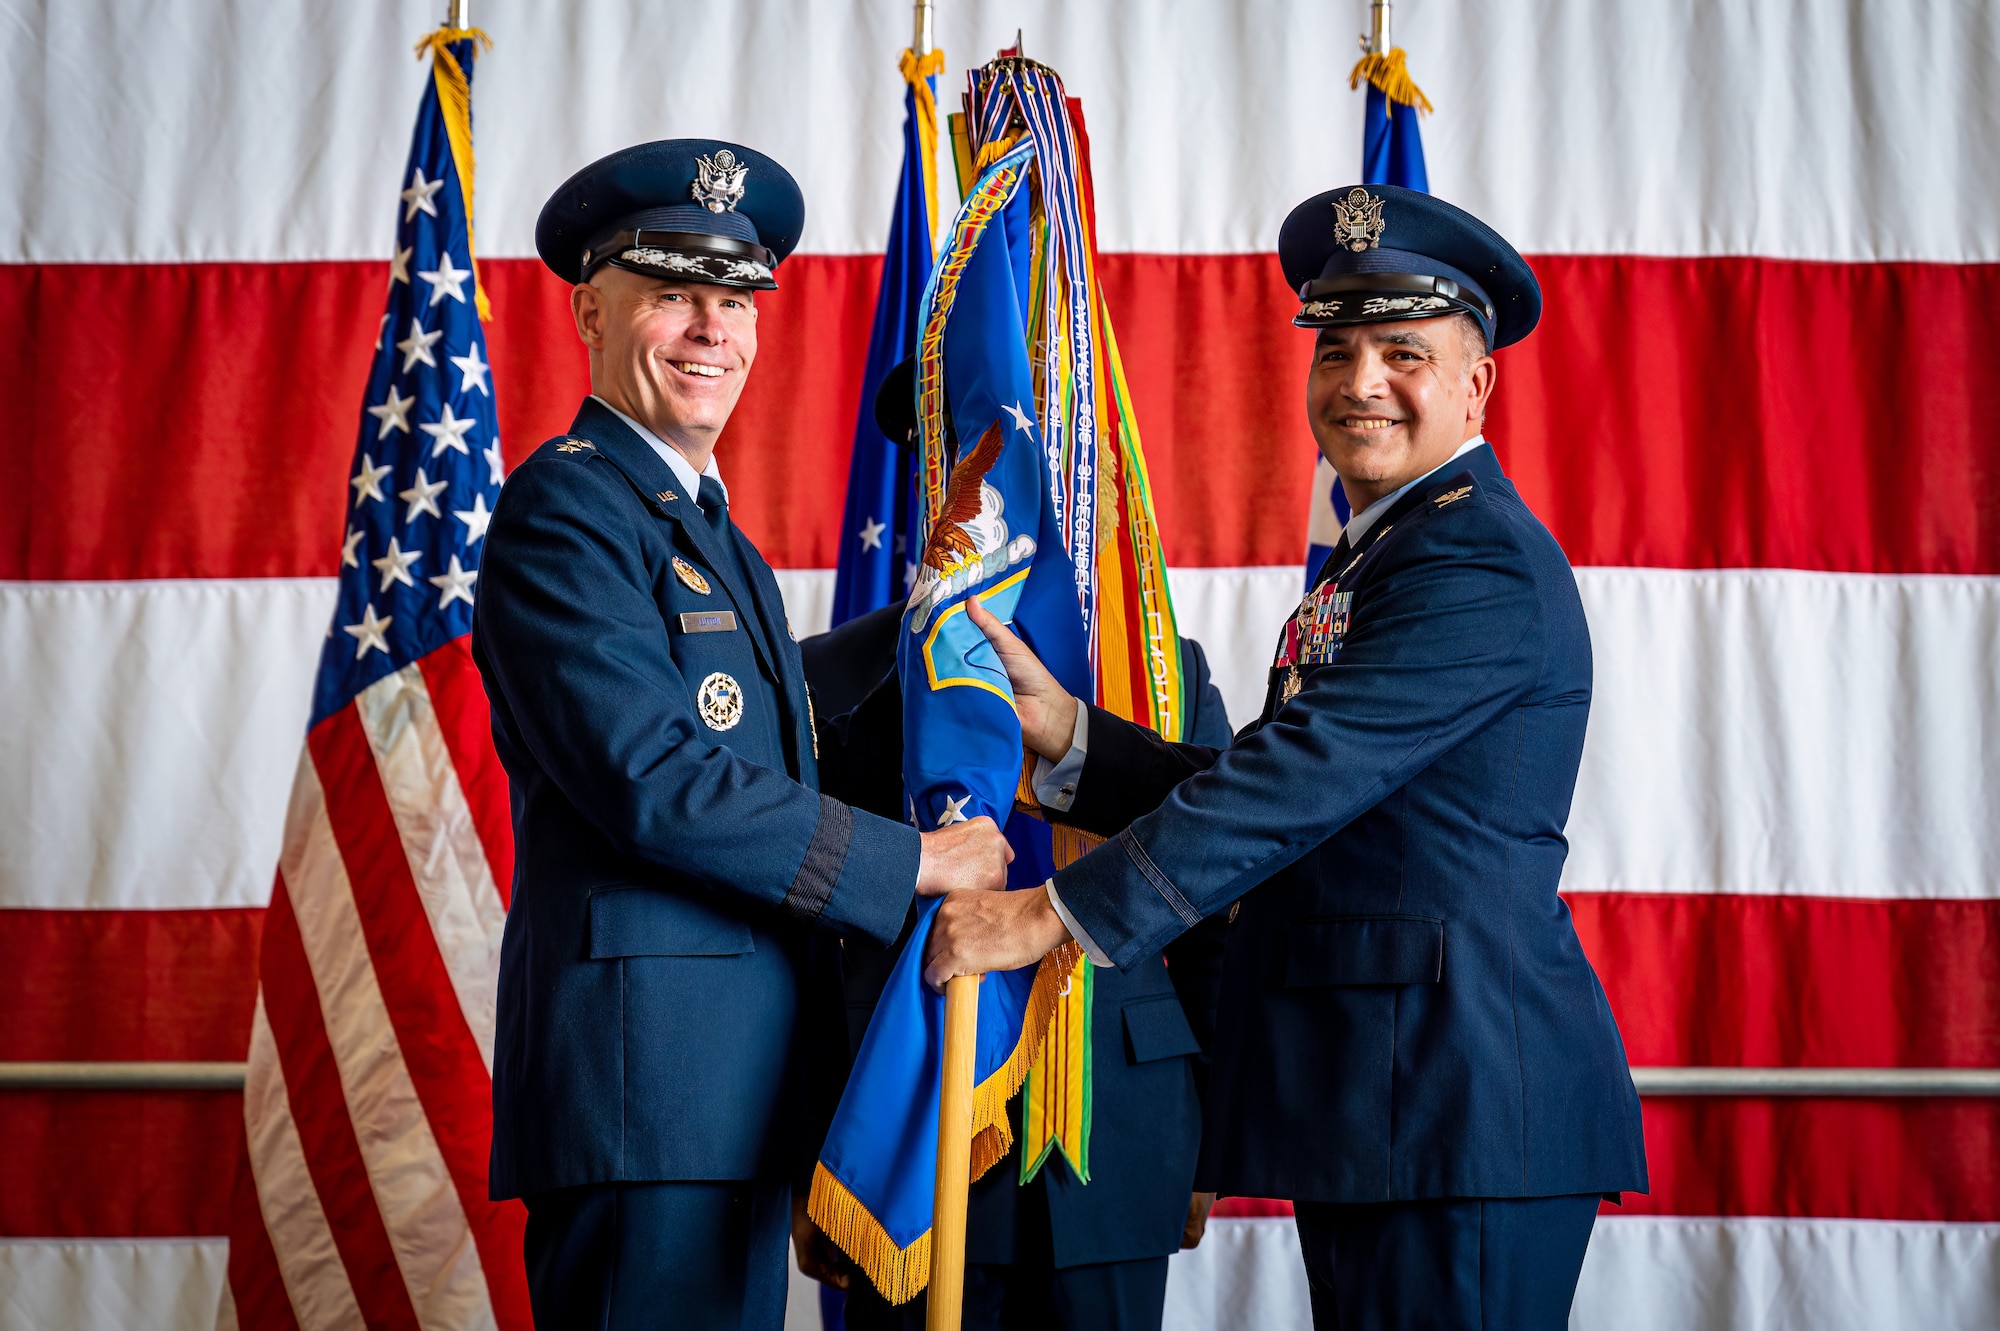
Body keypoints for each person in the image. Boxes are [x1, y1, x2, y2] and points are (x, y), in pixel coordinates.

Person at [921, 184, 1649, 1329]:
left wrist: (1045, 913)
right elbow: (1295, 795)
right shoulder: (1385, 555)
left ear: (1476, 382)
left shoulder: (1475, 563)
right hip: (1389, 1102)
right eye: (1336, 348)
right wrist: (1067, 736)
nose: (1360, 381)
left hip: (1456, 1107)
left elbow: (1290, 782)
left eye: (1402, 351)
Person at [471, 139, 1013, 1331]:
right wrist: (916, 863)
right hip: (641, 1086)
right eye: (672, 293)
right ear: (590, 308)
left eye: (734, 299)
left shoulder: (701, 524)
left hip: (722, 1083)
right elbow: (656, 776)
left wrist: (924, 617)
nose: (710, 328)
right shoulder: (564, 505)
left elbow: (766, 715)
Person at [792, 365, 1233, 1330]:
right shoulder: (826, 676)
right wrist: (807, 1151)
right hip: (909, 1119)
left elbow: (1217, 917)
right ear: (929, 480)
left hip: (1121, 1130)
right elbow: (801, 939)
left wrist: (1210, 1148)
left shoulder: (1161, 671)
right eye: (971, 464)